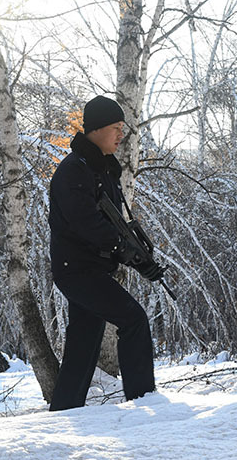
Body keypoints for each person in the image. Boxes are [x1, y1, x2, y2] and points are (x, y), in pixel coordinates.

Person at [48, 95, 165, 410]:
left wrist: (141, 261)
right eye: (115, 127)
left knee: (84, 343)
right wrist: (124, 251)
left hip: (89, 269)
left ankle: (64, 409)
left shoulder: (101, 170)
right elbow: (89, 224)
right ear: (97, 128)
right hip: (78, 271)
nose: (120, 135)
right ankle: (143, 403)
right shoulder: (74, 171)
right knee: (133, 320)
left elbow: (117, 226)